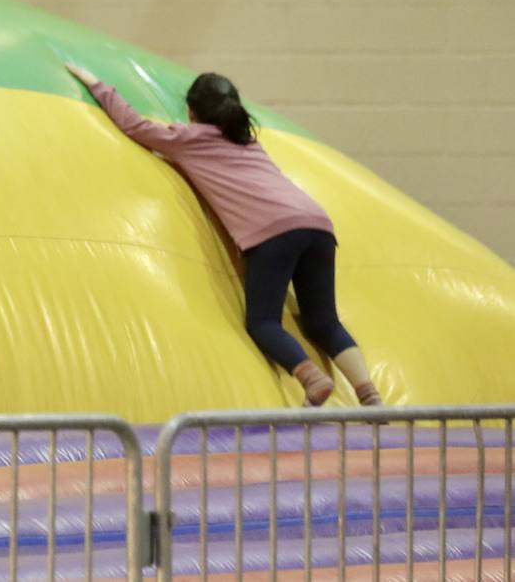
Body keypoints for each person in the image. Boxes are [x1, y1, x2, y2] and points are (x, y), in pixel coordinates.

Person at [64, 63, 382, 408]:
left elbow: (133, 126)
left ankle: (309, 376)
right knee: (323, 321)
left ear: (191, 111)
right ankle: (369, 393)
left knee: (262, 323)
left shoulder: (188, 139)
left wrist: (96, 84)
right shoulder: (248, 142)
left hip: (272, 230)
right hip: (318, 224)